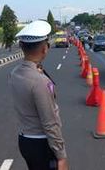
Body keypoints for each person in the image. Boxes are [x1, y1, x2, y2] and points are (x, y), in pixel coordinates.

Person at [9, 20, 68, 170]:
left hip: (25, 140)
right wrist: (61, 156)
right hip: (42, 144)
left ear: (22, 46)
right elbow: (50, 122)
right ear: (44, 48)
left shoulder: (15, 73)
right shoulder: (40, 81)